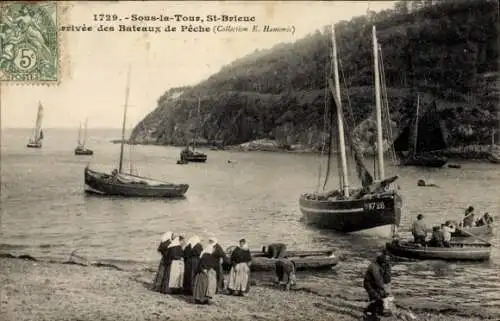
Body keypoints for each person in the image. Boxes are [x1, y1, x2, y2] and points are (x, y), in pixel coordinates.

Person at [363, 251, 392, 319]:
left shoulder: (383, 266)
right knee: (376, 298)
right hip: (369, 284)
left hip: (376, 284)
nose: (386, 262)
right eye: (385, 260)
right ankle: (368, 312)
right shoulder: (374, 267)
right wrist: (385, 290)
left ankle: (379, 310)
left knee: (382, 297)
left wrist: (387, 269)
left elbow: (387, 280)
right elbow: (378, 280)